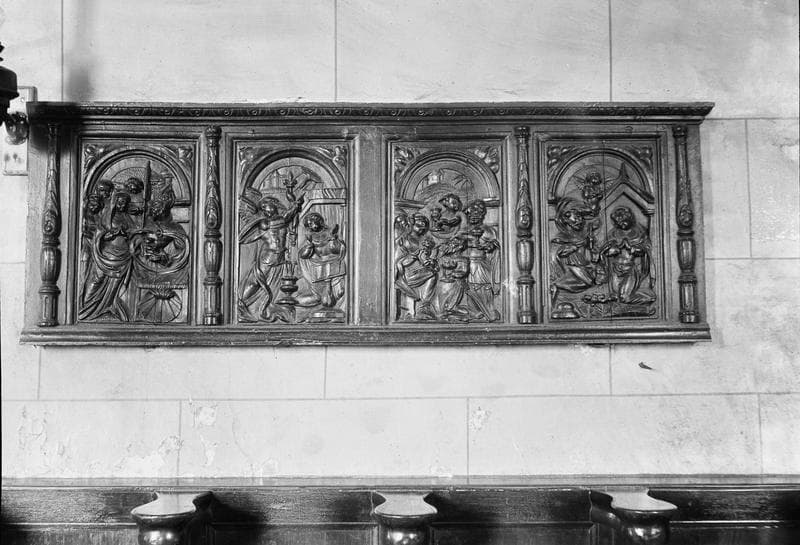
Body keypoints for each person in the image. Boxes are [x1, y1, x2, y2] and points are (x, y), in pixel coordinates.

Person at [238, 194, 304, 322]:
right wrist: (294, 207)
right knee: (256, 281)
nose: (265, 209)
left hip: (280, 258)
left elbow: (287, 217)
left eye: (266, 206)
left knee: (273, 285)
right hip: (268, 258)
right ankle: (241, 304)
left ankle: (261, 305)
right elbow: (284, 218)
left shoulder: (281, 219)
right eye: (263, 208)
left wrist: (295, 206)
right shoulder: (265, 223)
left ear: (273, 204)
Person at [79, 191, 135, 321]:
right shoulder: (107, 216)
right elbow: (99, 233)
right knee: (96, 280)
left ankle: (107, 308)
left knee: (115, 286)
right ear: (115, 202)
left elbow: (132, 233)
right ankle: (85, 309)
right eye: (120, 202)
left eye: (124, 203)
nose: (122, 205)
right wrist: (109, 235)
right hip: (106, 255)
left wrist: (130, 234)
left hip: (122, 257)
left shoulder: (127, 218)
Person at [599, 206, 656, 305]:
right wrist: (612, 250)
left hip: (631, 269)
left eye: (624, 221)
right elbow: (604, 250)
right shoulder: (613, 233)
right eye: (618, 222)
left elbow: (646, 249)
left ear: (630, 218)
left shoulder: (640, 232)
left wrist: (633, 249)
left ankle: (649, 298)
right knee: (615, 295)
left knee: (624, 297)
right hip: (615, 269)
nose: (621, 224)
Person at [549, 198, 597, 304]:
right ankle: (556, 285)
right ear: (565, 218)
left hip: (583, 265)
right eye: (576, 217)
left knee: (589, 281)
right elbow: (554, 252)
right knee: (588, 281)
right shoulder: (561, 238)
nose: (580, 220)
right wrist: (566, 249)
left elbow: (590, 253)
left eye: (581, 217)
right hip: (572, 265)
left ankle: (557, 285)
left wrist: (590, 245)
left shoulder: (581, 237)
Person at [297, 212, 346, 308]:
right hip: (318, 266)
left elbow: (337, 249)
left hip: (334, 263)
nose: (312, 225)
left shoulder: (330, 232)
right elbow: (303, 255)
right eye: (309, 224)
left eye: (313, 222)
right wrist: (309, 246)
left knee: (340, 291)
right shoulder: (310, 236)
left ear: (319, 221)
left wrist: (332, 239)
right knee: (319, 296)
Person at [394, 213, 438, 320]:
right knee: (432, 275)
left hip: (419, 270)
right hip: (406, 273)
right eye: (418, 226)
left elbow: (428, 256)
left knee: (433, 274)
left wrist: (430, 261)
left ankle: (424, 307)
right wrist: (413, 257)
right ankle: (423, 306)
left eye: (424, 227)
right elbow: (397, 261)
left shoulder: (424, 240)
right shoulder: (404, 239)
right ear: (412, 224)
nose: (421, 229)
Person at [463, 200, 501, 321]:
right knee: (469, 288)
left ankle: (488, 311)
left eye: (477, 213)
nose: (473, 216)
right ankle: (475, 311)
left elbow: (495, 246)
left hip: (481, 265)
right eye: (470, 214)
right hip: (466, 265)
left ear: (482, 214)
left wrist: (489, 246)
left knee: (483, 287)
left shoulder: (488, 230)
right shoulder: (464, 230)